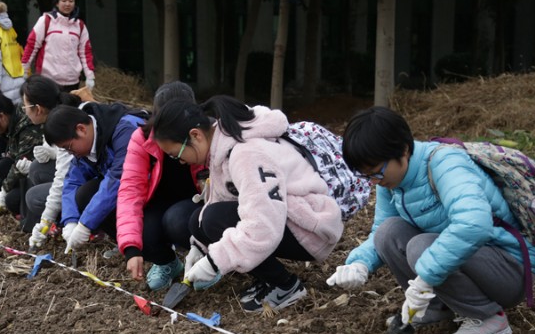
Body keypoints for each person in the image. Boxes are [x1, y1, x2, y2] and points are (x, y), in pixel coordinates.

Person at [326, 106, 535, 334]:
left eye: (376, 172)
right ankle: (437, 308)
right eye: (366, 176)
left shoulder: (444, 162)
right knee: (389, 232)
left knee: (421, 247)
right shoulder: (390, 181)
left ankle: (489, 317)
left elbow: (474, 224)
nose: (374, 181)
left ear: (404, 149)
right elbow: (381, 230)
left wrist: (426, 276)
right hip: (469, 261)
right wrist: (360, 263)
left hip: (508, 269)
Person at [151, 96, 344, 313]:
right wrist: (200, 248)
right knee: (199, 221)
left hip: (309, 227)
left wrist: (215, 261)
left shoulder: (246, 154)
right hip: (284, 218)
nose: (182, 162)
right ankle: (266, 279)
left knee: (214, 220)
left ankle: (286, 286)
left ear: (195, 135)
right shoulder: (221, 146)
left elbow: (264, 226)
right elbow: (223, 200)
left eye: (177, 155)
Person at [117, 81, 206, 291]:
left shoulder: (204, 134)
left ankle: (209, 262)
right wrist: (131, 248)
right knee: (142, 235)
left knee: (176, 219)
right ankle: (168, 263)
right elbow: (131, 188)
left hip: (197, 203)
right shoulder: (143, 138)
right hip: (161, 202)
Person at [43, 102, 146, 253]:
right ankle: (125, 241)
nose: (71, 153)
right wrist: (70, 221)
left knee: (93, 194)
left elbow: (118, 178)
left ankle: (143, 244)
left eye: (69, 147)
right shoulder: (85, 147)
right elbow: (72, 182)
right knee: (85, 193)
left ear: (81, 129)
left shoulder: (125, 130)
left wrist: (85, 224)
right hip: (129, 198)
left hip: (151, 191)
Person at [14, 75, 82, 239]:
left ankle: (73, 223)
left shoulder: (62, 124)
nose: (25, 112)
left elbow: (63, 177)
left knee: (34, 197)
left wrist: (45, 220)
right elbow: (60, 157)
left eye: (25, 107)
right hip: (78, 174)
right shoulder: (54, 118)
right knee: (37, 168)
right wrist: (48, 154)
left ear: (38, 109)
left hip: (85, 179)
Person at [0, 89, 43, 221]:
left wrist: (3, 194)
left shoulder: (28, 126)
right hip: (24, 170)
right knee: (3, 165)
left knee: (12, 201)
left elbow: (21, 162)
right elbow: (12, 154)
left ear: (1, 116)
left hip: (37, 173)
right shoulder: (12, 122)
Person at [22, 0, 95, 92]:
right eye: (64, 1)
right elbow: (32, 45)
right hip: (48, 81)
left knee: (68, 109)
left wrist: (90, 76)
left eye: (71, 1)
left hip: (72, 82)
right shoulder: (46, 21)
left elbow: (85, 52)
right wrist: (24, 70)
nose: (67, 4)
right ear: (57, 3)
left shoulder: (80, 26)